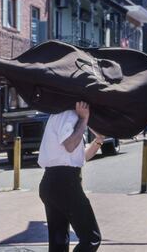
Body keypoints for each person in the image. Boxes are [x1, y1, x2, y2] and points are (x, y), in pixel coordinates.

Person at [38, 101, 103, 252]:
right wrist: (84, 118)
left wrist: (98, 141)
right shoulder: (68, 114)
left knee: (59, 242)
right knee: (91, 238)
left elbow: (80, 157)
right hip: (65, 183)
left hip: (53, 182)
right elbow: (70, 145)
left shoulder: (60, 114)